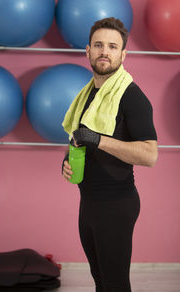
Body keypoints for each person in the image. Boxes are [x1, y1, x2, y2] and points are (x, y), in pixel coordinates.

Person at [62, 17, 158, 292]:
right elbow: (80, 139)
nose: (105, 51)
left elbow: (150, 155)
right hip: (89, 204)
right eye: (99, 45)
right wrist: (68, 160)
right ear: (88, 51)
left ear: (123, 54)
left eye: (113, 46)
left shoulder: (132, 96)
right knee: (101, 281)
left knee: (115, 284)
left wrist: (98, 139)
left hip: (116, 205)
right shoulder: (86, 96)